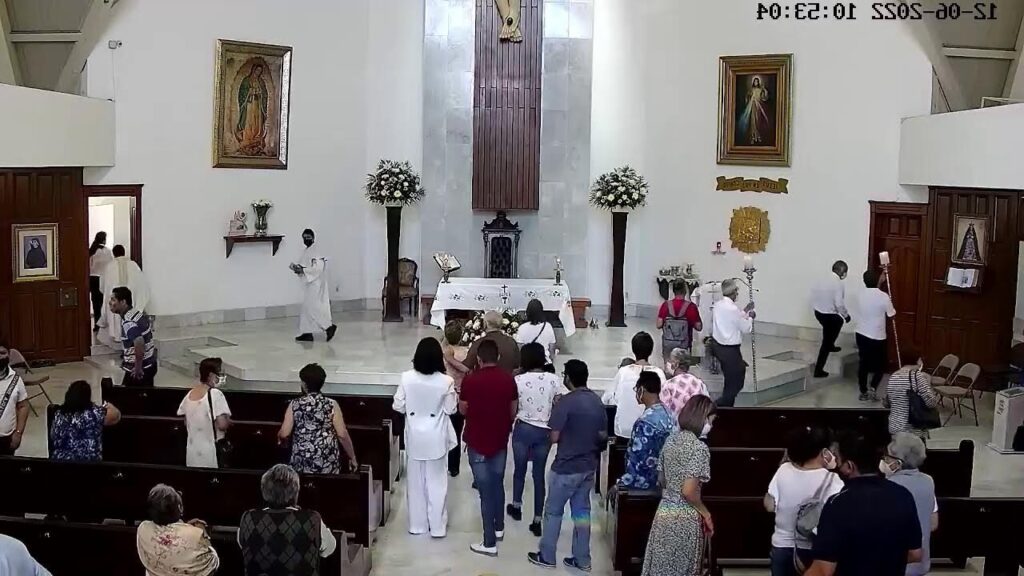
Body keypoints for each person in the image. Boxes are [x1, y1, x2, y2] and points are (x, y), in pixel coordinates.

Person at [805, 431, 923, 576]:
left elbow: (823, 570)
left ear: (849, 466)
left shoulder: (838, 503)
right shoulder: (903, 495)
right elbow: (915, 554)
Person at [528, 359, 607, 571]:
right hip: (588, 466)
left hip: (565, 467)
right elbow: (602, 435)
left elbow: (554, 436)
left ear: (568, 378)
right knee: (581, 513)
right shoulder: (596, 402)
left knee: (553, 511)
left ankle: (547, 555)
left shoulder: (566, 402)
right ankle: (582, 559)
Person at [640, 395, 717, 576]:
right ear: (702, 419)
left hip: (665, 510)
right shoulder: (699, 449)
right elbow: (689, 492)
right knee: (680, 567)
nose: (711, 426)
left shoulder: (671, 440)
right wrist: (706, 514)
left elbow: (662, 479)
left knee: (660, 565)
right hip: (685, 517)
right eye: (711, 421)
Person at [393, 338, 458, 538]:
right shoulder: (446, 381)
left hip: (414, 436)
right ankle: (437, 527)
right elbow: (450, 409)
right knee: (437, 484)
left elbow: (397, 405)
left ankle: (417, 525)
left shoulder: (406, 377)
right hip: (436, 436)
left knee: (415, 483)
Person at [459, 339, 518, 556]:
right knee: (497, 484)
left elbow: (463, 410)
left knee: (485, 492)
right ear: (498, 358)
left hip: (477, 440)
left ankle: (489, 541)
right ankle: (499, 526)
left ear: (479, 359)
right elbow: (513, 410)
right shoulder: (508, 380)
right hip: (500, 439)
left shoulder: (470, 381)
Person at [763, 426, 844, 576]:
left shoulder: (783, 470)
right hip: (814, 550)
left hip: (780, 545)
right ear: (824, 452)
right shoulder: (833, 480)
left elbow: (769, 506)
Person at [239, 464, 338, 574]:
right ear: (296, 492)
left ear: (264, 490)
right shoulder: (313, 519)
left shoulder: (248, 518)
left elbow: (242, 544)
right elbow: (329, 548)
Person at [507, 342, 560, 536]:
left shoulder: (518, 380)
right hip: (544, 430)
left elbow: (513, 406)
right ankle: (538, 518)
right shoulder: (554, 380)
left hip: (523, 428)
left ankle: (516, 505)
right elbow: (558, 404)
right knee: (539, 475)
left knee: (519, 470)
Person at [278, 363, 358, 474]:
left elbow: (284, 433)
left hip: (301, 463)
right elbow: (342, 434)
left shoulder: (294, 404)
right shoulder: (332, 404)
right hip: (327, 463)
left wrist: (283, 443)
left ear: (304, 384)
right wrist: (352, 457)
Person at [882, 433, 939, 576]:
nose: (884, 460)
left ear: (898, 463)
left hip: (894, 565)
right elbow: (933, 524)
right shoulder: (928, 481)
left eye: (888, 457)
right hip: (921, 564)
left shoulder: (888, 486)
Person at [137, 484, 220, 576]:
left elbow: (170, 535)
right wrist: (204, 535)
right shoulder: (196, 534)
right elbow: (211, 564)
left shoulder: (143, 528)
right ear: (180, 508)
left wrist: (184, 526)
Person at [603, 332, 666, 440]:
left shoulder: (623, 372)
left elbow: (606, 399)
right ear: (651, 351)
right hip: (651, 432)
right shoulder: (659, 374)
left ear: (633, 349)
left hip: (624, 432)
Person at [618, 371, 675, 490]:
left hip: (648, 485)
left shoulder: (645, 422)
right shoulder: (668, 414)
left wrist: (621, 484)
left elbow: (638, 460)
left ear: (641, 390)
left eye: (636, 389)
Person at [177, 358, 232, 468]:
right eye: (219, 372)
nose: (221, 376)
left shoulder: (190, 394)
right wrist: (228, 421)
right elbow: (222, 425)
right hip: (210, 452)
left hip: (192, 452)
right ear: (211, 375)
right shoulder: (215, 394)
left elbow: (186, 422)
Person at [51, 380, 121, 461]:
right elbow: (116, 416)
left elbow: (53, 436)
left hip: (59, 465)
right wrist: (108, 405)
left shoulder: (58, 414)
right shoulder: (95, 414)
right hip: (89, 466)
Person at [711, 278, 754, 407]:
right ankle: (716, 406)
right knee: (737, 381)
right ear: (733, 292)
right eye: (737, 291)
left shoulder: (717, 305)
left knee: (730, 380)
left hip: (718, 346)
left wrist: (745, 310)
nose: (737, 294)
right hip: (730, 350)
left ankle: (728, 407)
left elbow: (732, 320)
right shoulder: (732, 309)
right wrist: (751, 316)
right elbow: (746, 328)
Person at [289, 229, 337, 343]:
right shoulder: (307, 251)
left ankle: (328, 327)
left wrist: (304, 270)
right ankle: (307, 332)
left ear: (313, 237)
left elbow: (318, 268)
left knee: (312, 308)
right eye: (304, 237)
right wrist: (298, 269)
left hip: (316, 284)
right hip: (309, 284)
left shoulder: (317, 251)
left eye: (308, 237)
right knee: (306, 309)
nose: (306, 240)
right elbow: (304, 265)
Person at [855, 270, 896, 402]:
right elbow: (891, 314)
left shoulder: (860, 294)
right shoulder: (883, 296)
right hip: (877, 336)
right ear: (878, 280)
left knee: (863, 363)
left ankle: (863, 391)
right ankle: (873, 387)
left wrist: (880, 281)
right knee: (881, 365)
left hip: (861, 333)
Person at [98, 245, 149, 345]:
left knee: (116, 317)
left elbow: (103, 285)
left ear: (113, 253)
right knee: (130, 318)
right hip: (131, 299)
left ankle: (120, 339)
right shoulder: (133, 265)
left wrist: (106, 293)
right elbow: (142, 283)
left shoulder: (109, 266)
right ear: (124, 252)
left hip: (116, 299)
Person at [109, 287, 158, 387]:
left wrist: (138, 367)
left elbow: (139, 341)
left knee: (129, 400)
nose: (110, 302)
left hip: (140, 370)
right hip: (150, 364)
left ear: (123, 302)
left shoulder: (129, 321)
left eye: (113, 299)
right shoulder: (136, 313)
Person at [885, 351, 940, 439]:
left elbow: (887, 403)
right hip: (913, 430)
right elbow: (931, 403)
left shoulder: (893, 376)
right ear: (918, 361)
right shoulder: (917, 376)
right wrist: (928, 382)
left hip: (895, 427)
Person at [811, 260, 851, 378]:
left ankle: (831, 344)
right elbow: (839, 304)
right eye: (845, 272)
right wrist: (846, 315)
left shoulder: (823, 278)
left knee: (836, 323)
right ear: (842, 272)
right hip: (829, 315)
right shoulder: (838, 283)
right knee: (827, 341)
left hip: (818, 312)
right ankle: (818, 370)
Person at [441, 321, 470, 477]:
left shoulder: (445, 351)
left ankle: (440, 462)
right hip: (461, 396)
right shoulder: (466, 352)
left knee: (442, 430)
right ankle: (454, 467)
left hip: (446, 395)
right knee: (457, 432)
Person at [657, 280, 703, 360]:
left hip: (668, 344)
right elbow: (699, 327)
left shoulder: (666, 305)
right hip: (684, 344)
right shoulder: (691, 307)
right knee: (683, 367)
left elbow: (658, 325)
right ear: (685, 291)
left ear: (673, 291)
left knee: (668, 367)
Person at [661, 348, 709, 420]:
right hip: (696, 426)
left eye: (670, 361)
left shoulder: (669, 385)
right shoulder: (699, 383)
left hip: (676, 428)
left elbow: (663, 411)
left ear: (676, 364)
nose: (668, 363)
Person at [0, 342, 29, 455]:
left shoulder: (16, 380)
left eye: (2, 353)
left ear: (9, 355)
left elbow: (23, 406)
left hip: (6, 439)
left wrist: (18, 433)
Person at [514, 299, 557, 367]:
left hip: (527, 362)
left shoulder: (522, 327)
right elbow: (552, 348)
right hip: (544, 361)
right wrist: (551, 361)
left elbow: (519, 348)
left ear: (527, 312)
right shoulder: (548, 326)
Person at [88, 231, 113, 331]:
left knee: (95, 302)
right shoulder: (107, 251)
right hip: (104, 278)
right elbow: (111, 265)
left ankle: (97, 324)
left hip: (93, 278)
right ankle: (104, 322)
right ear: (104, 239)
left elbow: (88, 266)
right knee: (104, 300)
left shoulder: (92, 251)